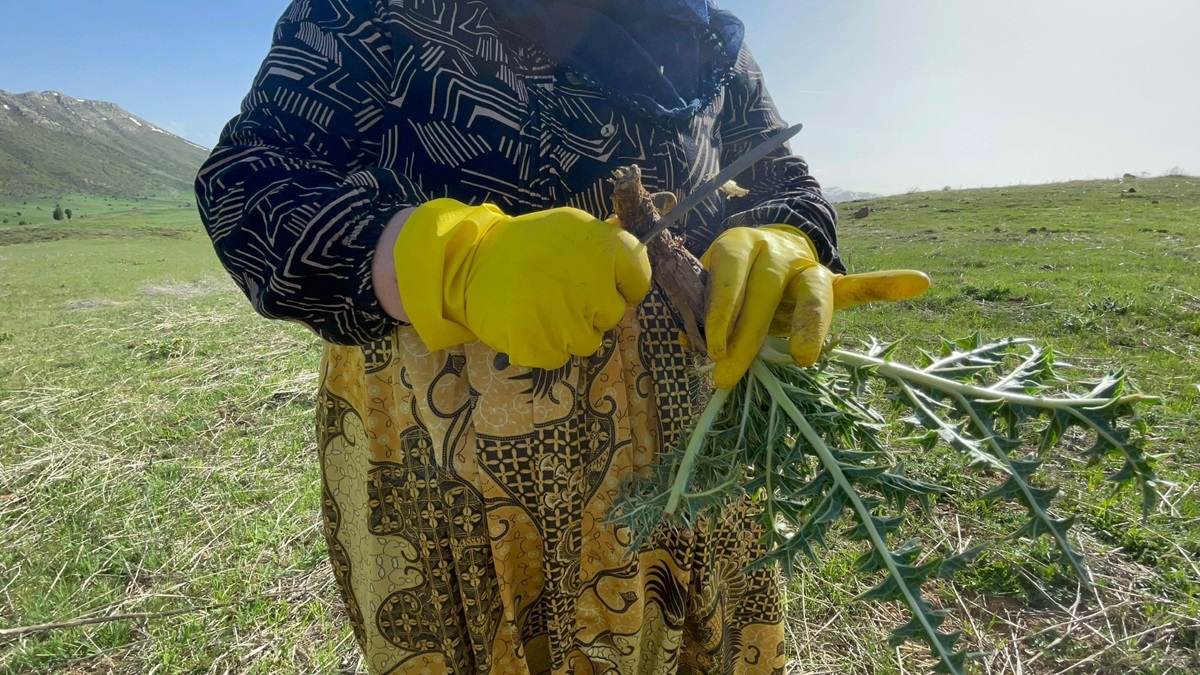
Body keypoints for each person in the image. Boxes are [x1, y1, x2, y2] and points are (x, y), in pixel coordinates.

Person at [196, 1, 924, 672]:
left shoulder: (705, 40)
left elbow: (782, 174)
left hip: (700, 454)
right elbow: (250, 186)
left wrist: (786, 235)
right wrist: (454, 263)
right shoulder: (368, 9)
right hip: (461, 479)